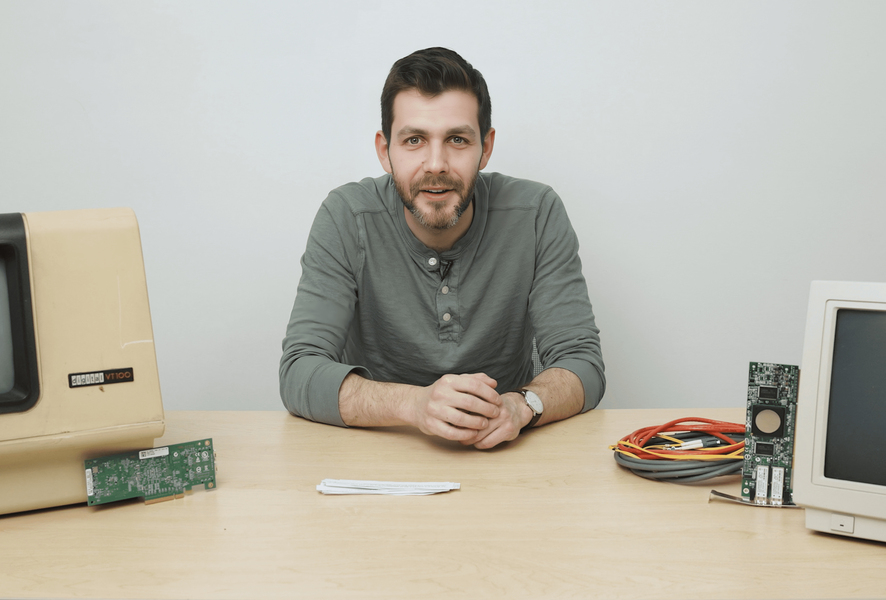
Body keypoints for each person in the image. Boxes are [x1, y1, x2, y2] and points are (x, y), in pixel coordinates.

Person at [280, 47, 604, 449]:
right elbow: (299, 372)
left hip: (506, 452)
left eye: (457, 139)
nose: (436, 164)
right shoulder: (346, 216)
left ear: (485, 147)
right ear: (385, 151)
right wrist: (414, 404)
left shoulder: (536, 212)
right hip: (380, 453)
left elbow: (582, 364)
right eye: (414, 140)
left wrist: (522, 406)